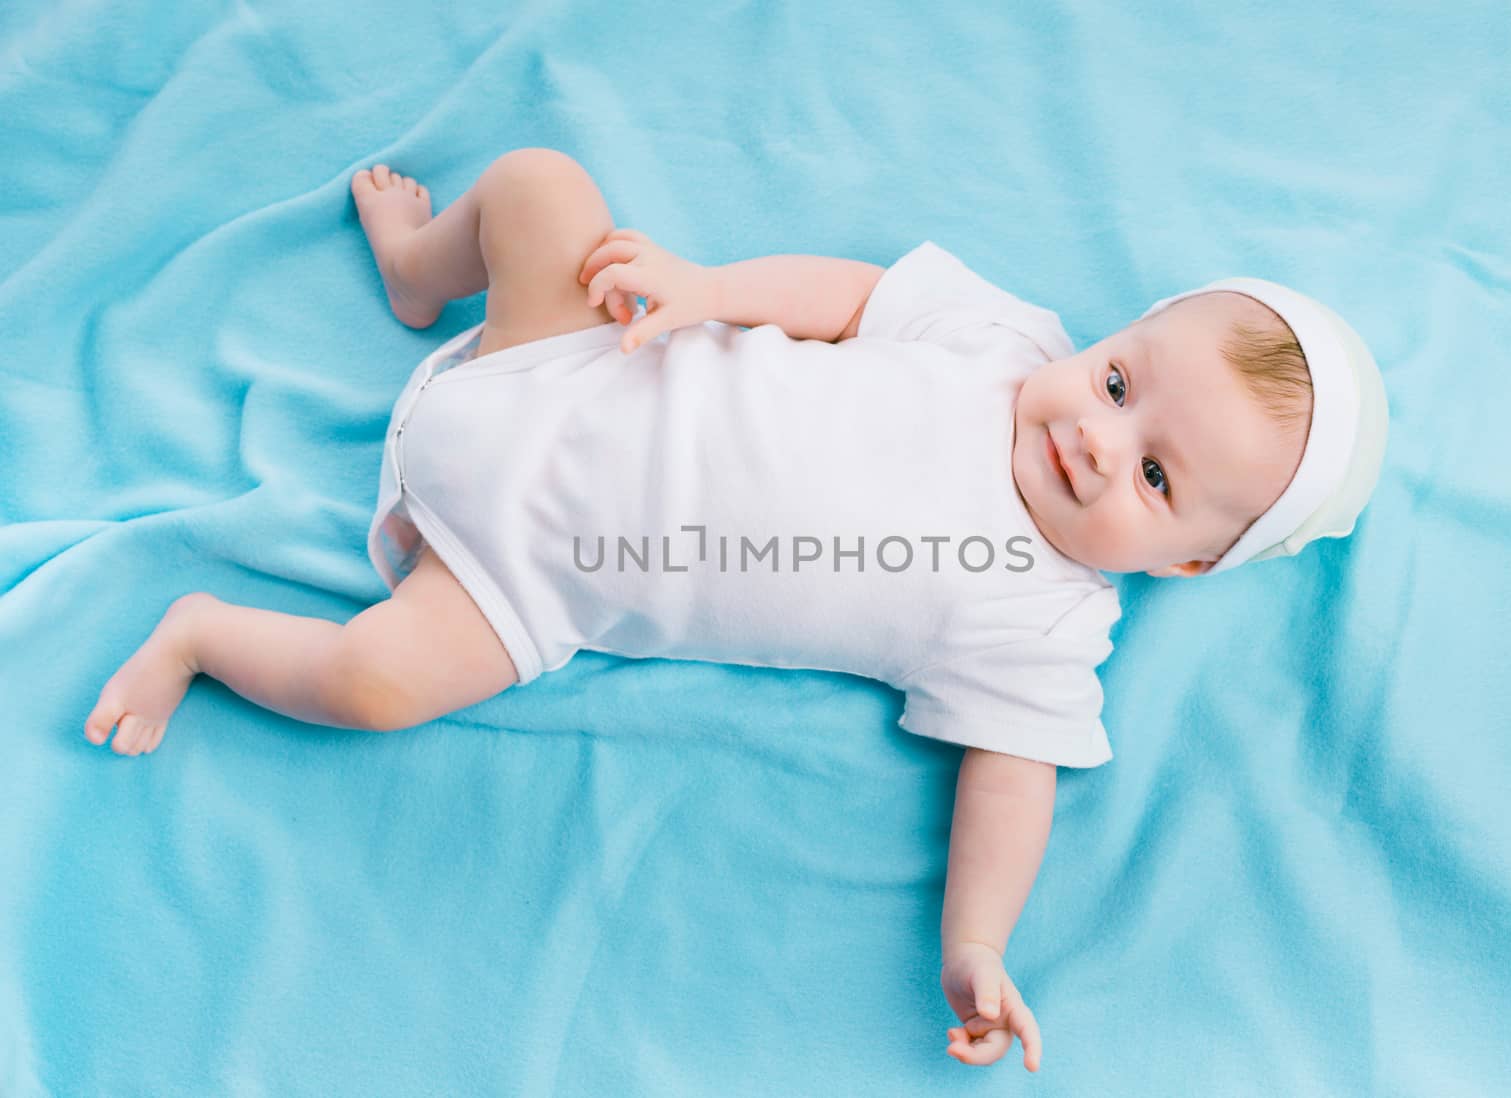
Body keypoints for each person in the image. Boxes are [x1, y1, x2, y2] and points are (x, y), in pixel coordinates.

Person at [82, 147, 1389, 1073]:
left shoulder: (1043, 621)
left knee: (376, 681)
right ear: (1111, 336)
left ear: (1194, 565)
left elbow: (1013, 782)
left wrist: (979, 940)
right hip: (558, 358)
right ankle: (422, 270)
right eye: (1119, 383)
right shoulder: (1006, 342)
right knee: (540, 188)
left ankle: (197, 633)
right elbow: (848, 295)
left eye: (1157, 477)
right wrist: (708, 287)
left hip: (525, 576)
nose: (1101, 441)